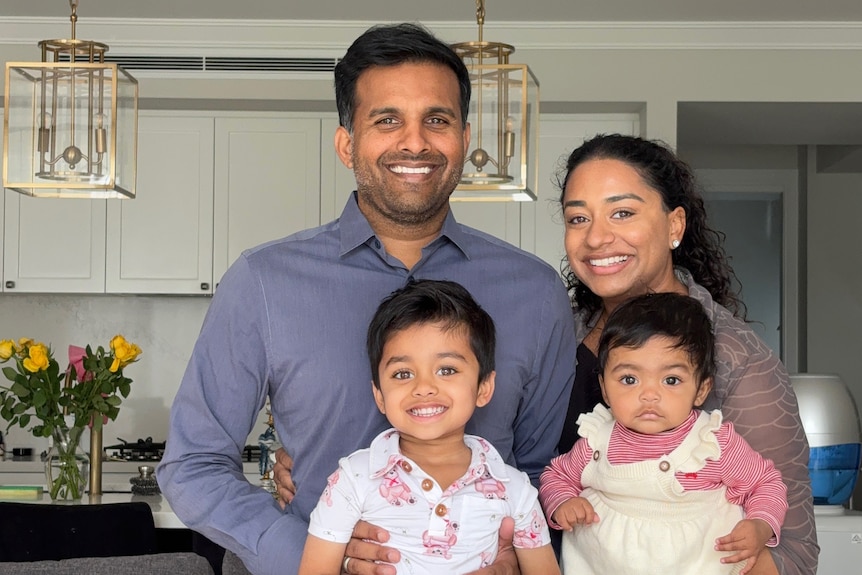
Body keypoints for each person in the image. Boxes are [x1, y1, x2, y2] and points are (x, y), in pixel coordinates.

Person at [156, 22, 576, 575]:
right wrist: (308, 557)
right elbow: (193, 465)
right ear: (346, 144)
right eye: (387, 120)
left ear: (465, 138)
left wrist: (518, 558)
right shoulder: (262, 284)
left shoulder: (536, 293)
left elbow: (542, 471)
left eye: (437, 120)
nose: (415, 142)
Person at [553, 133, 817, 575]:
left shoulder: (738, 358)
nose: (596, 237)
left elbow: (794, 550)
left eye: (622, 213)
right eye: (578, 218)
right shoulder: (558, 333)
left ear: (674, 225)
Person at [299, 280, 560, 575]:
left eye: (446, 370)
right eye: (403, 373)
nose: (423, 387)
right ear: (379, 396)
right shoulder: (353, 479)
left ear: (484, 387)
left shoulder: (515, 490)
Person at [540, 292, 788, 574]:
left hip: (697, 564)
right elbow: (555, 475)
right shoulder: (597, 443)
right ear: (605, 388)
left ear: (701, 389)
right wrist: (563, 502)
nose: (649, 395)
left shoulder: (710, 444)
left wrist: (760, 525)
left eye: (671, 380)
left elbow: (766, 483)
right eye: (629, 379)